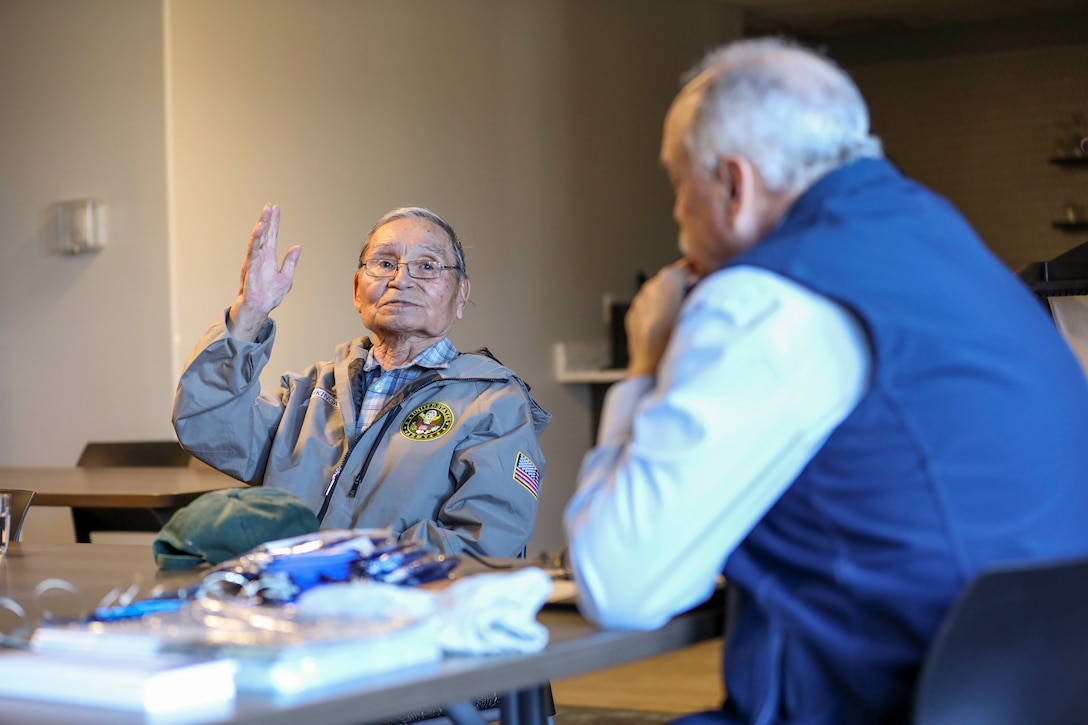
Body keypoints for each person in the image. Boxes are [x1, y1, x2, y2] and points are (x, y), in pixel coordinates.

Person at [563, 37, 1088, 724]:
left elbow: (621, 584)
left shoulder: (766, 296)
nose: (675, 216)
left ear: (733, 183)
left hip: (878, 699)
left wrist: (642, 366)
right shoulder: (946, 242)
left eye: (676, 184)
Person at [174, 204, 550, 557]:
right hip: (290, 609)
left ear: (460, 295)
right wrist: (249, 312)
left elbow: (484, 542)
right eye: (385, 263)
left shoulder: (492, 402)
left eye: (427, 266)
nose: (401, 279)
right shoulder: (311, 393)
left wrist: (342, 568)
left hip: (401, 616)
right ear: (357, 290)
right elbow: (206, 425)